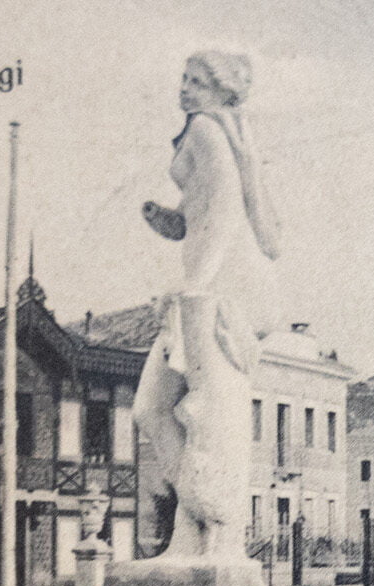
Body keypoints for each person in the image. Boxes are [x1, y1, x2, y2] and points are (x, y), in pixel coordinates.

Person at [134, 51, 282, 559]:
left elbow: (221, 210)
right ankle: (202, 512)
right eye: (184, 78)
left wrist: (192, 285)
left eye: (198, 82)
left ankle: (208, 519)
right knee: (156, 409)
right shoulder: (225, 133)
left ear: (221, 93)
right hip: (213, 283)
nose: (185, 88)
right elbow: (205, 211)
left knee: (176, 409)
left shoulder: (205, 129)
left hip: (214, 290)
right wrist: (171, 220)